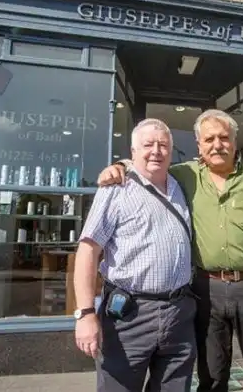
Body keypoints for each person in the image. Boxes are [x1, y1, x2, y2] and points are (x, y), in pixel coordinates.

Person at [97, 109, 243, 392]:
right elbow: (150, 164)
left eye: (224, 138)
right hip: (206, 289)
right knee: (211, 374)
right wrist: (121, 165)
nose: (217, 145)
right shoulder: (185, 175)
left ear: (234, 141)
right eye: (209, 139)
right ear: (199, 145)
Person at [73, 118, 195, 392]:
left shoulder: (181, 187)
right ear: (133, 151)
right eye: (148, 144)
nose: (156, 151)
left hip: (179, 313)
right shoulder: (115, 189)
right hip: (129, 316)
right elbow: (88, 251)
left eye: (163, 145)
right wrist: (85, 314)